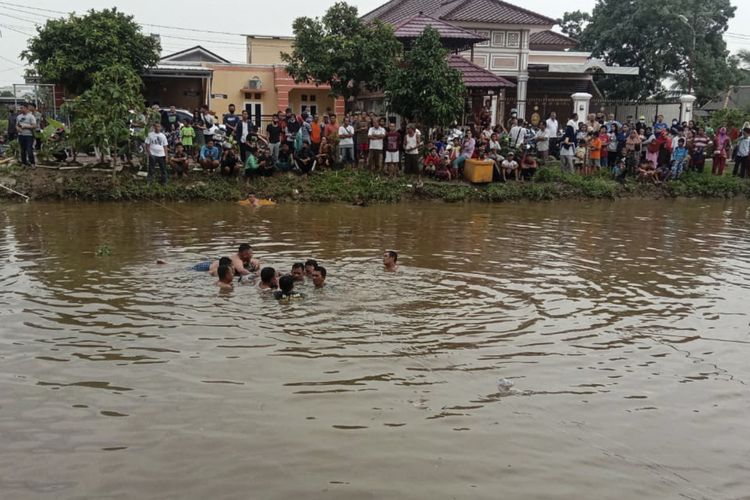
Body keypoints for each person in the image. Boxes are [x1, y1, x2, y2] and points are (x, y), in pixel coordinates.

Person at [15, 103, 36, 167]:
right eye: (20, 108)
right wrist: (18, 128)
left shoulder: (31, 116)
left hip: (29, 136)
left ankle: (32, 163)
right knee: (22, 150)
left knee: (29, 150)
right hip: (21, 135)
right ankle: (24, 163)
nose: (21, 109)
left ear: (26, 108)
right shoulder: (18, 117)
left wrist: (25, 126)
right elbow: (16, 125)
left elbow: (34, 126)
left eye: (22, 108)